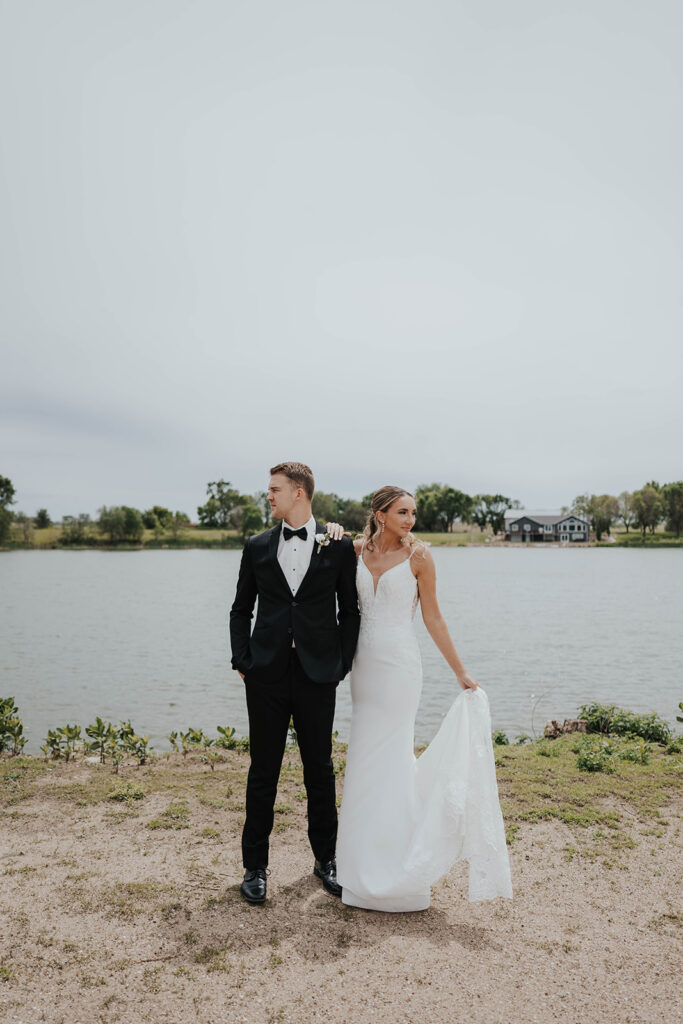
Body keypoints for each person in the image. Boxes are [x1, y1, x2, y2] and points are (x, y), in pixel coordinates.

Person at [335, 485, 512, 911]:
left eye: (413, 513)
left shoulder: (420, 557)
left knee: (393, 756)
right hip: (365, 670)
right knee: (362, 757)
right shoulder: (354, 550)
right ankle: (359, 868)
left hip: (400, 670)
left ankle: (398, 867)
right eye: (402, 512)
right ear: (380, 514)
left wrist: (460, 670)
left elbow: (432, 616)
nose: (410, 520)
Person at [229, 462, 359, 904]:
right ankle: (255, 868)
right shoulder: (256, 546)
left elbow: (351, 612)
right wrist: (241, 658)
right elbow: (239, 609)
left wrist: (340, 664)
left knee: (319, 771)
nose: (268, 496)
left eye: (274, 489)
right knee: (262, 771)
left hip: (317, 675)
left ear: (299, 493)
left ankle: (326, 861)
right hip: (264, 675)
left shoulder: (337, 546)